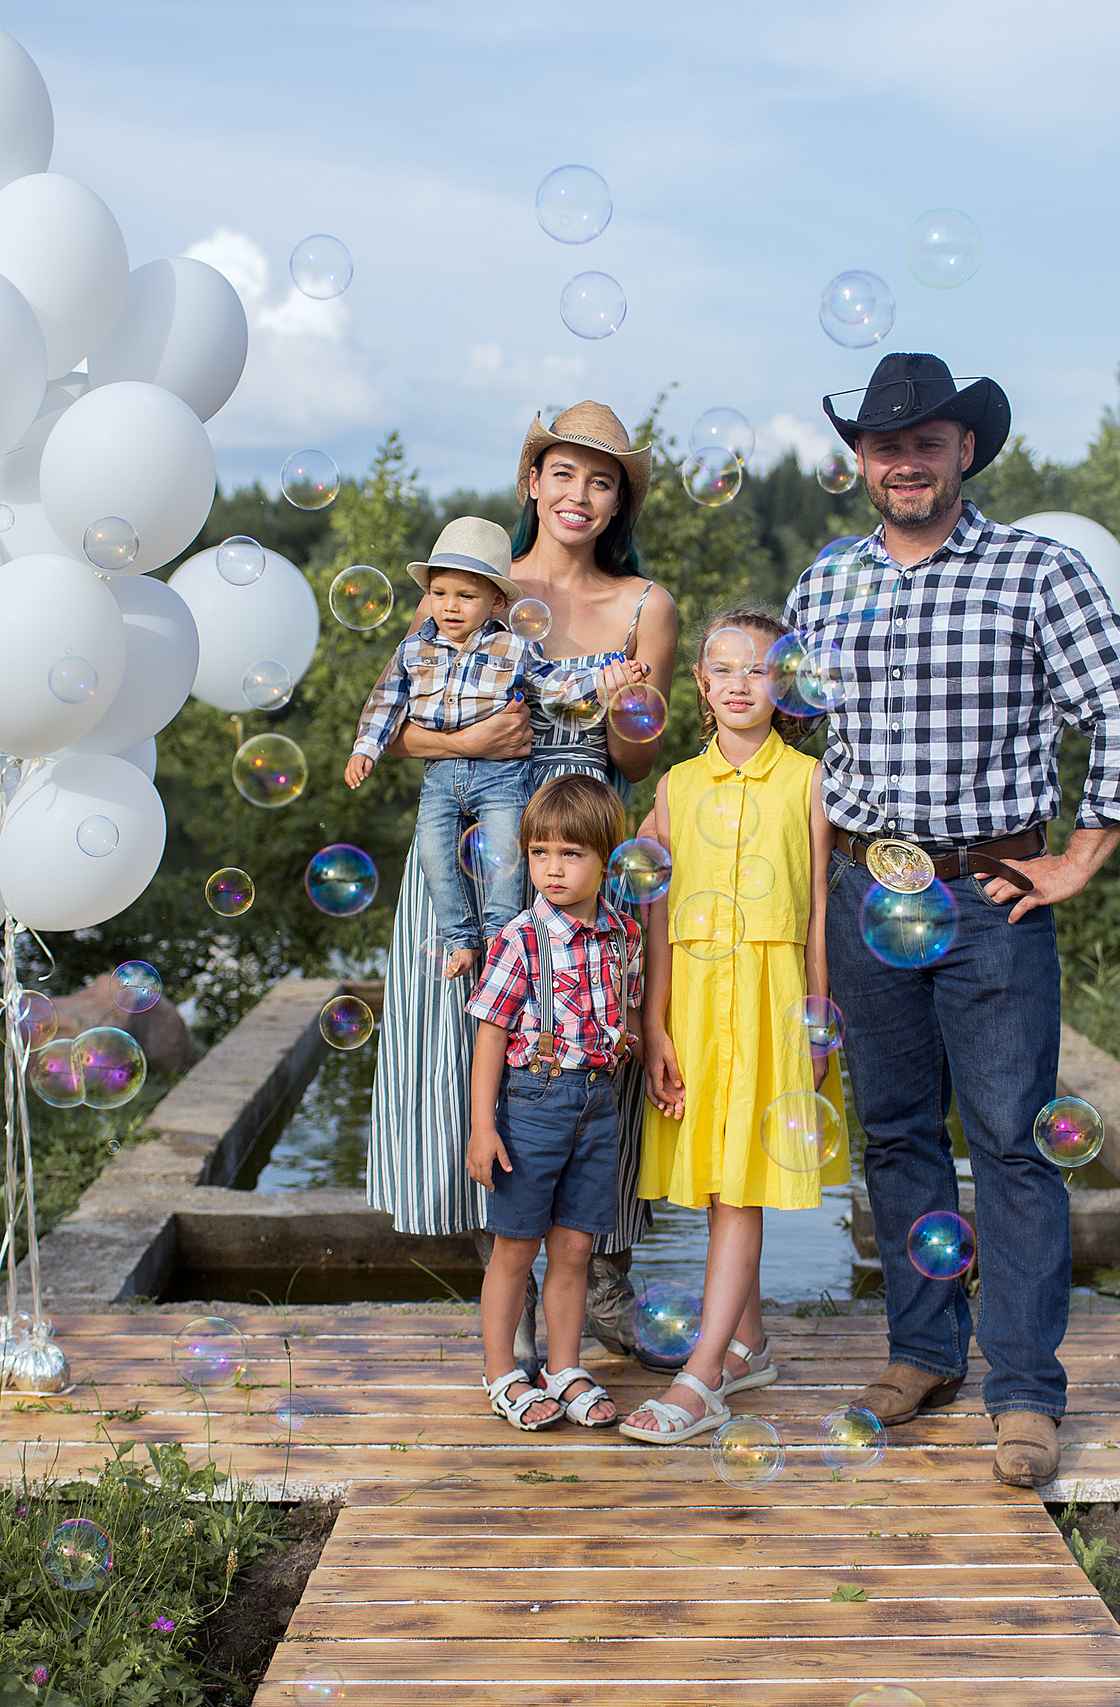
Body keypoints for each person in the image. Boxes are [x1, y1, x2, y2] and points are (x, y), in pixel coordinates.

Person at [783, 352, 1120, 1487]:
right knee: (896, 1137)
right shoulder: (823, 585)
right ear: (861, 460)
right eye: (885, 443)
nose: (905, 460)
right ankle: (921, 1354)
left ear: (965, 451)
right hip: (866, 893)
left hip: (988, 898)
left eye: (928, 440)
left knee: (1007, 1142)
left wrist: (1079, 857)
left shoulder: (1034, 572)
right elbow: (807, 748)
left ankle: (1025, 1392)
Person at [365, 402, 680, 1367]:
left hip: (582, 842)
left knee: (593, 1050)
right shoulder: (473, 588)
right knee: (472, 1038)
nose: (580, 494)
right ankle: (505, 1270)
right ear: (530, 481)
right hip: (475, 843)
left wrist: (629, 698)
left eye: (602, 480)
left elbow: (640, 754)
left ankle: (598, 1282)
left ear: (618, 498)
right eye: (564, 473)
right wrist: (471, 740)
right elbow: (396, 726)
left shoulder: (645, 604)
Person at [619, 607, 841, 1444]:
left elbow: (820, 904)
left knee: (741, 1182)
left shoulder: (811, 781)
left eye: (759, 666)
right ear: (702, 687)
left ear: (780, 685)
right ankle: (748, 1341)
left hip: (774, 997)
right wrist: (655, 1023)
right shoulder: (674, 786)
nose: (742, 680)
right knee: (719, 1174)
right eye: (723, 666)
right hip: (695, 1000)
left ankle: (702, 1375)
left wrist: (819, 1017)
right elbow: (658, 911)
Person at [344, 516, 645, 980]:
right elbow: (387, 704)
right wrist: (367, 748)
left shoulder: (512, 647)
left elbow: (554, 686)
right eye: (439, 594)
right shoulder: (414, 650)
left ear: (496, 601)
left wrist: (603, 682)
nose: (450, 606)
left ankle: (502, 939)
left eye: (466, 596)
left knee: (507, 855)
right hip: (442, 778)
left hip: (504, 778)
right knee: (434, 851)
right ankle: (459, 939)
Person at [463, 773, 642, 1431]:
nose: (554, 868)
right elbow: (489, 1030)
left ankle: (564, 1367)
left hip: (597, 1106)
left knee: (574, 1248)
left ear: (605, 859)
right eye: (541, 852)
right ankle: (502, 1369)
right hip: (533, 1105)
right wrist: (484, 1126)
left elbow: (631, 1013)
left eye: (571, 854)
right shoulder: (521, 938)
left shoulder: (622, 934)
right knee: (514, 1246)